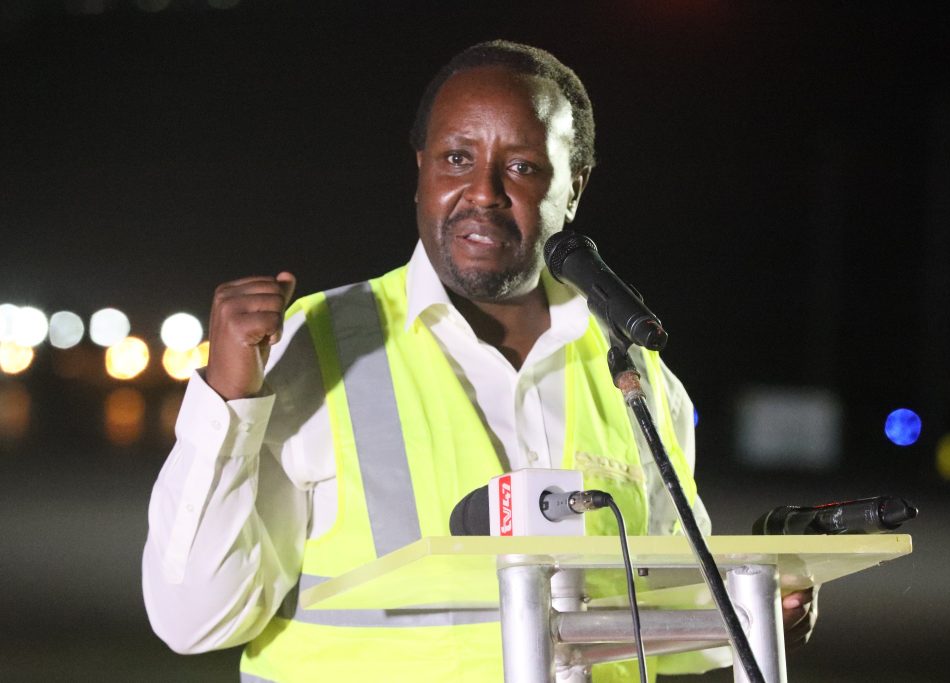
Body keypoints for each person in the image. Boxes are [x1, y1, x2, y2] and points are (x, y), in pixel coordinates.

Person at [142, 40, 815, 682]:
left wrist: (752, 610)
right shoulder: (309, 349)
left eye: (522, 165)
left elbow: (658, 623)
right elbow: (193, 619)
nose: (484, 191)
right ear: (420, 170)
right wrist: (228, 398)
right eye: (457, 158)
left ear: (574, 188)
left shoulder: (635, 378)